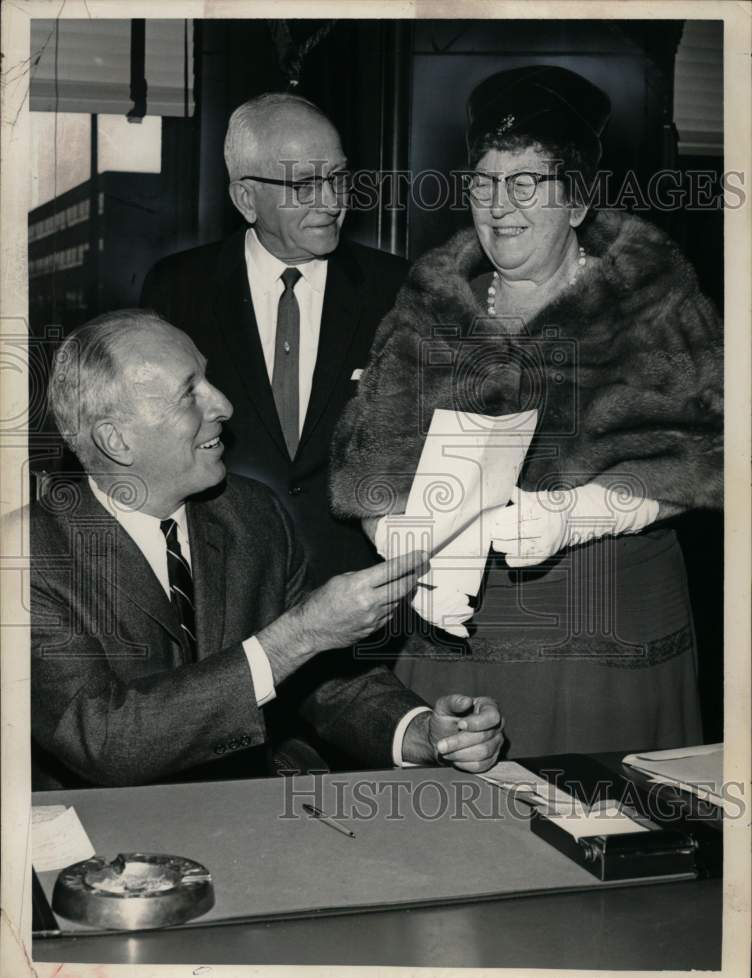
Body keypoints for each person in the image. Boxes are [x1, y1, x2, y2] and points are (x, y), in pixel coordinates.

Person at [330, 65, 723, 759]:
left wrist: (582, 514)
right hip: (455, 631)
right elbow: (369, 451)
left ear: (576, 202)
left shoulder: (653, 299)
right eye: (483, 183)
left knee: (594, 831)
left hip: (605, 632)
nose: (498, 205)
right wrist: (395, 535)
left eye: (525, 183)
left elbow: (708, 452)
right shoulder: (431, 301)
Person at [24, 309, 504, 789]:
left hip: (244, 817)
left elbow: (320, 677)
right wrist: (297, 634)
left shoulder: (250, 513)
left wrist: (420, 732)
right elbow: (105, 742)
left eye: (206, 378)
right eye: (189, 393)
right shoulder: (33, 557)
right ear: (116, 440)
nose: (224, 405)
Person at [141, 92, 408, 587]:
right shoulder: (177, 289)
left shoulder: (398, 290)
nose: (331, 201)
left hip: (361, 591)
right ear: (246, 198)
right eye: (304, 184)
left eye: (338, 177)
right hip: (225, 585)